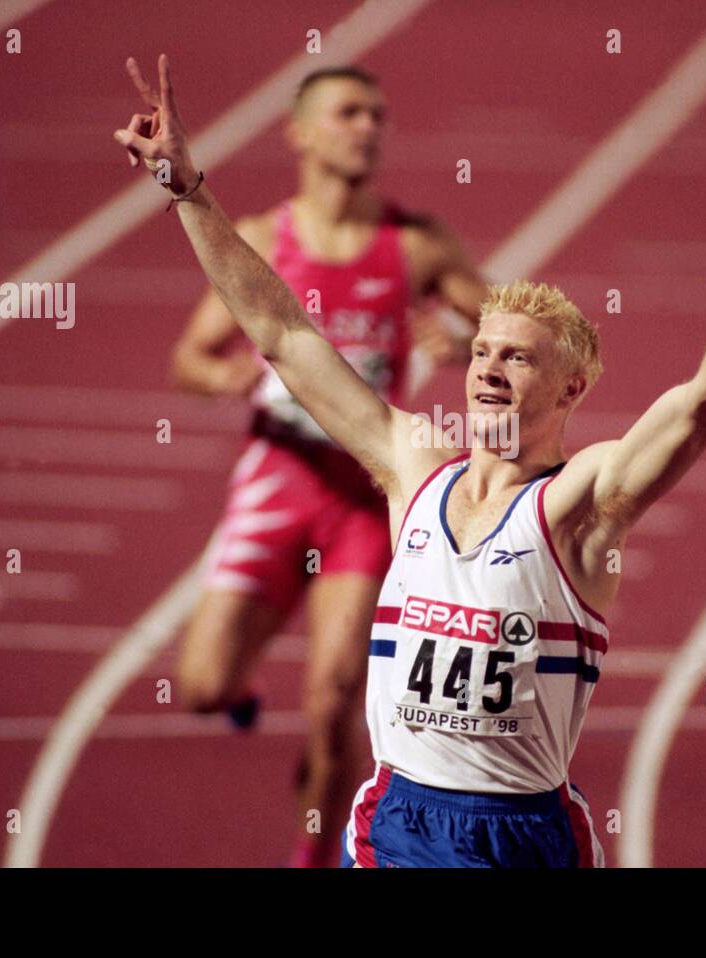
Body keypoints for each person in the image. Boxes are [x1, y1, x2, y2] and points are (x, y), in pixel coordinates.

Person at [115, 54, 706, 867]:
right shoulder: (412, 467)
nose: (491, 368)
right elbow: (285, 335)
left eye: (519, 359)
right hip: (396, 820)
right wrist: (186, 192)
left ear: (570, 388)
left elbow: (705, 402)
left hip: (520, 835)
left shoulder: (583, 504)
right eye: (484, 352)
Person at [162, 64, 487, 868]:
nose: (368, 128)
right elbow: (190, 359)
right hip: (275, 484)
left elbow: (504, 313)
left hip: (360, 495)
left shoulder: (413, 242)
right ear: (300, 132)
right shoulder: (266, 238)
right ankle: (238, 690)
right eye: (348, 113)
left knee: (335, 696)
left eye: (378, 115)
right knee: (199, 687)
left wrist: (462, 330)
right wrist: (225, 375)